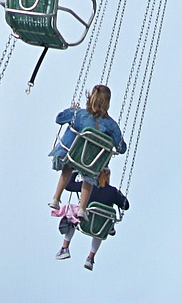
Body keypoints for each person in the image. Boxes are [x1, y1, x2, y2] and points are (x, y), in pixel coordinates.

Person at [49, 86, 127, 218]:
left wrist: (72, 110)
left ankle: (56, 198)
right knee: (90, 175)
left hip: (74, 155)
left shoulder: (79, 114)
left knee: (68, 166)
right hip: (93, 162)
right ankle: (82, 209)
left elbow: (59, 118)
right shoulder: (111, 125)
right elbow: (121, 148)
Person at [54, 167, 129, 270]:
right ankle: (90, 258)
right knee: (102, 222)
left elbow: (68, 185)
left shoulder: (87, 185)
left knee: (70, 211)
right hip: (99, 228)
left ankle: (65, 248)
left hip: (84, 221)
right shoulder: (113, 191)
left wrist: (76, 171)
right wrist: (119, 193)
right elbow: (126, 205)